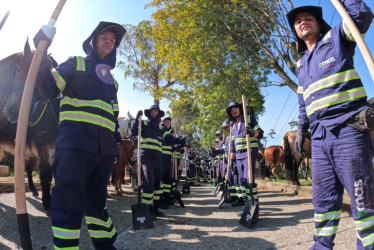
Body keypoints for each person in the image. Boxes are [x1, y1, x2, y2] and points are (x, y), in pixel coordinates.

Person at [287, 2, 374, 249]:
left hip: (349, 130)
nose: (303, 21)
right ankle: (321, 245)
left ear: (318, 23)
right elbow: (303, 102)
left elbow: (362, 15)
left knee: (361, 198)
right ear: (295, 31)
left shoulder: (337, 38)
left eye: (308, 17)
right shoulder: (301, 64)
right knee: (323, 200)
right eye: (298, 20)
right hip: (319, 137)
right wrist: (301, 128)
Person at [34, 21, 125, 249]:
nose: (109, 42)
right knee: (68, 203)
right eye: (105, 37)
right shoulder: (75, 64)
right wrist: (42, 52)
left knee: (97, 204)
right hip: (75, 148)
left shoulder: (112, 81)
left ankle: (105, 245)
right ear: (93, 40)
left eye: (113, 41)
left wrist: (114, 144)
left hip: (103, 153)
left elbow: (113, 117)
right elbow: (47, 88)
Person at [131, 105, 185, 219]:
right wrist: (136, 120)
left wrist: (179, 141)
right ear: (149, 113)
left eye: (156, 111)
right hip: (147, 157)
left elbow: (169, 138)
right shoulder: (144, 124)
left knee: (157, 185)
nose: (154, 113)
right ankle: (147, 210)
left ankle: (155, 209)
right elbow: (134, 131)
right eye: (152, 111)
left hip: (158, 158)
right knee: (149, 183)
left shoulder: (162, 129)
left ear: (159, 114)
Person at [227, 102, 263, 207]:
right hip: (238, 156)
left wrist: (253, 132)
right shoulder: (233, 126)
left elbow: (260, 132)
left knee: (248, 179)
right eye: (231, 110)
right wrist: (231, 157)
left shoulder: (249, 119)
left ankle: (253, 205)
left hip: (249, 152)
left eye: (236, 108)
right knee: (241, 179)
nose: (234, 110)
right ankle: (245, 201)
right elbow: (232, 143)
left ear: (240, 109)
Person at [160, 117, 174, 208]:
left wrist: (175, 148)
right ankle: (161, 200)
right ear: (163, 122)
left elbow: (170, 147)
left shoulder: (170, 133)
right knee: (162, 180)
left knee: (168, 180)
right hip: (162, 158)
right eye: (166, 122)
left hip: (168, 159)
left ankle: (167, 197)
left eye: (169, 122)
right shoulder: (162, 130)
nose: (168, 123)